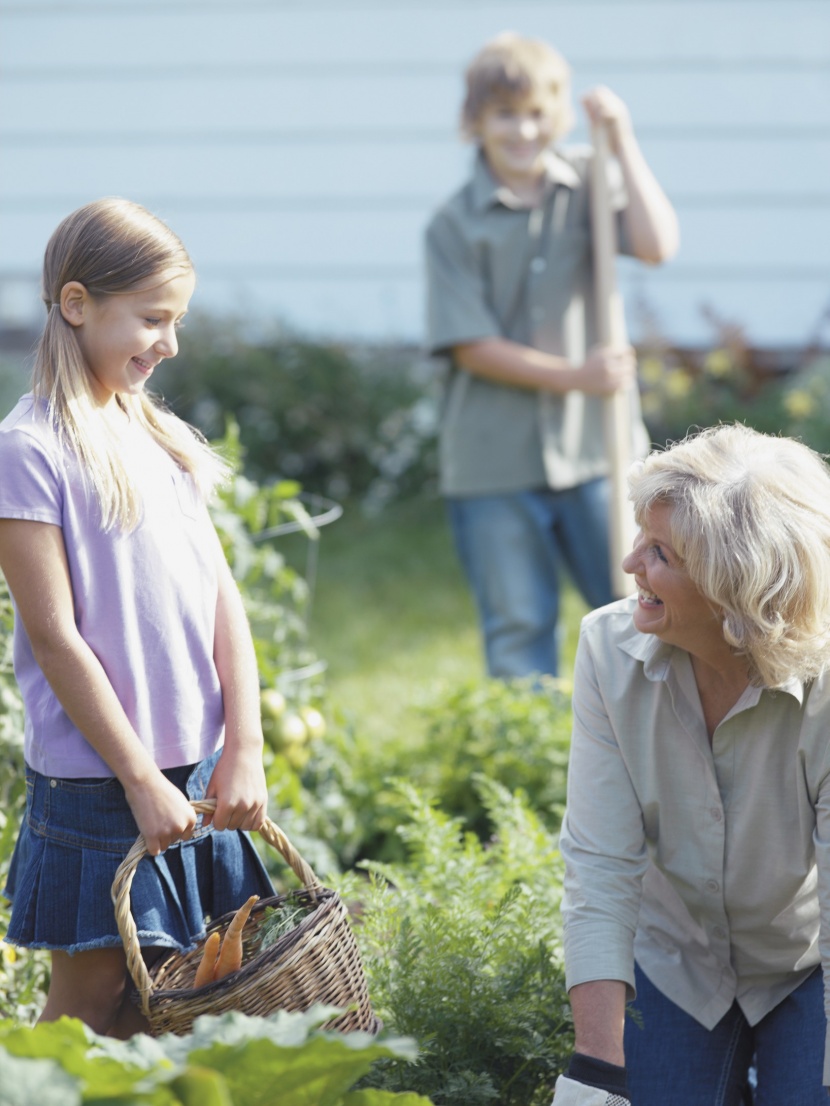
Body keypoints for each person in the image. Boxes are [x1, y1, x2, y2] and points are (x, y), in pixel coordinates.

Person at [0, 198, 274, 1037]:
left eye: (177, 320)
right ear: (77, 304)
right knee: (90, 1008)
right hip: (100, 783)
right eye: (153, 318)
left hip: (198, 768)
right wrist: (138, 778)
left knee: (182, 998)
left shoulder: (159, 438)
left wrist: (247, 748)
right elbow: (55, 635)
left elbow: (220, 595)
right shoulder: (30, 449)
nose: (171, 342)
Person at [552, 423, 830, 1105]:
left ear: (735, 594)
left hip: (802, 963)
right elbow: (600, 862)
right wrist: (596, 1072)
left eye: (659, 554)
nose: (627, 565)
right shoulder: (608, 650)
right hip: (673, 961)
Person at [424, 31, 679, 680]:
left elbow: (656, 246)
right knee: (519, 630)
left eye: (538, 112)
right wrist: (578, 376)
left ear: (559, 116)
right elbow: (471, 345)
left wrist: (621, 140)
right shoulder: (453, 226)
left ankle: (648, 748)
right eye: (506, 113)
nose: (524, 130)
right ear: (475, 120)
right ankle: (528, 761)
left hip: (599, 449)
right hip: (494, 462)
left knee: (642, 607)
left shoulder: (588, 181)